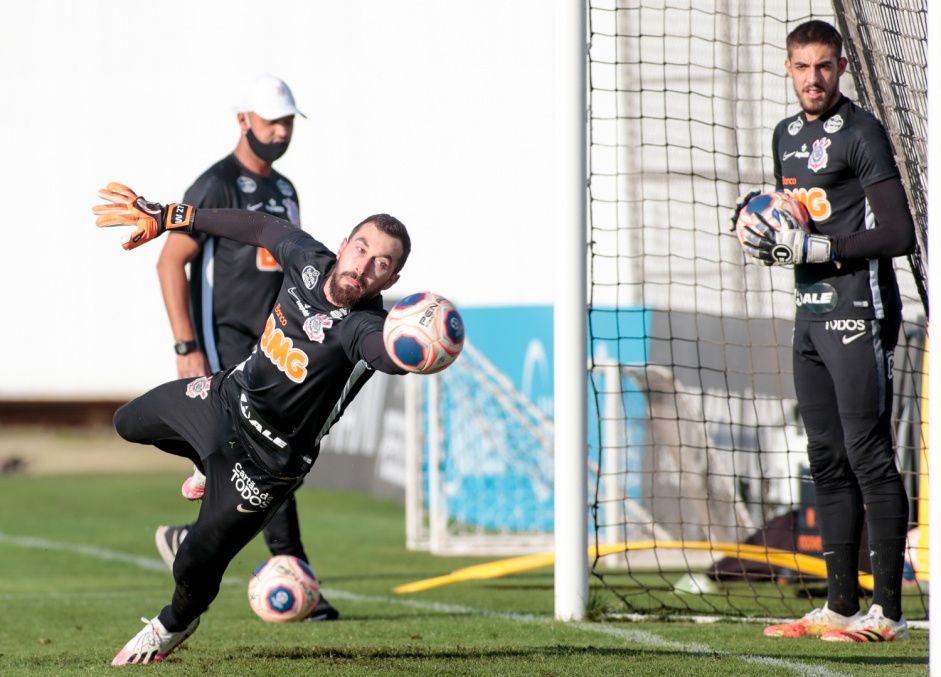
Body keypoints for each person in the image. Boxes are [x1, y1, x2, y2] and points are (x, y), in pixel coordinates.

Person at [93, 183, 412, 664]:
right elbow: (259, 227)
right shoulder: (308, 259)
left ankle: (173, 625)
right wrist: (171, 217)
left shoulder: (362, 326)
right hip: (226, 401)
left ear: (389, 282)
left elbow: (384, 355)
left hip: (267, 464)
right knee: (128, 422)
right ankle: (205, 462)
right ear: (343, 245)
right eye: (361, 249)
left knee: (193, 565)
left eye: (381, 265)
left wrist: (416, 348)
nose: (363, 267)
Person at [731, 20, 916, 642]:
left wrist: (815, 249)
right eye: (803, 67)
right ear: (788, 68)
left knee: (868, 456)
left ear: (841, 67)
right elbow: (788, 216)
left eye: (825, 66)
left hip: (858, 310)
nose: (814, 79)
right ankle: (838, 607)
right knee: (825, 459)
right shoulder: (785, 134)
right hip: (809, 315)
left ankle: (888, 614)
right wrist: (752, 224)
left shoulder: (863, 132)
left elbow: (897, 233)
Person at [154, 75, 338, 621]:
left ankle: (191, 539)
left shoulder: (286, 190)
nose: (280, 133)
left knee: (262, 461)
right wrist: (188, 344)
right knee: (269, 456)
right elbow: (169, 261)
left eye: (287, 123)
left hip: (277, 342)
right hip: (226, 337)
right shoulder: (215, 185)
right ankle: (295, 570)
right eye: (271, 122)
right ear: (244, 121)